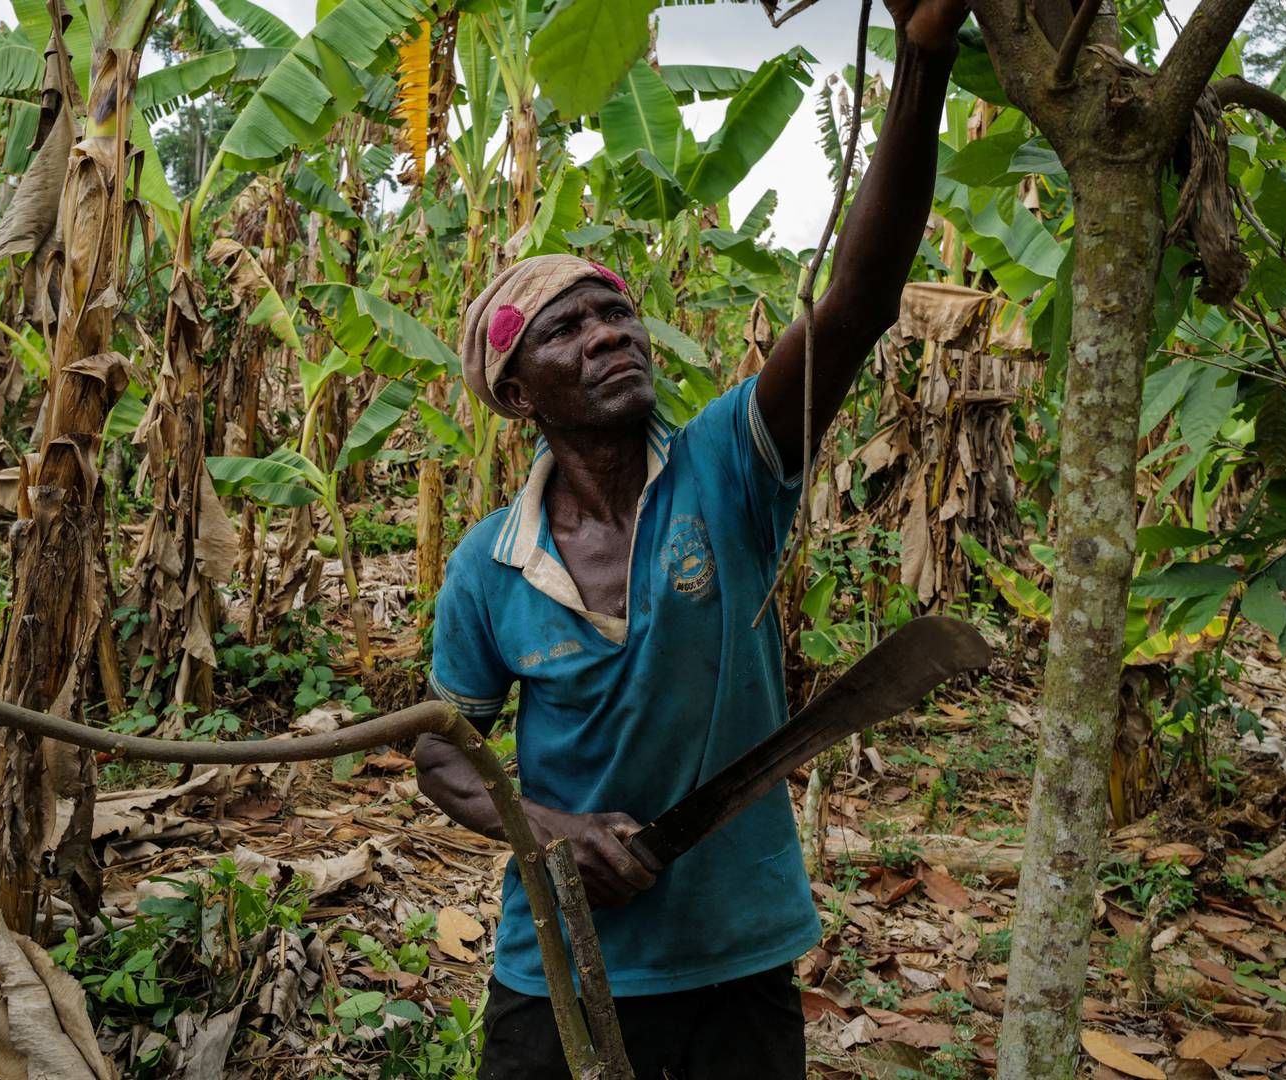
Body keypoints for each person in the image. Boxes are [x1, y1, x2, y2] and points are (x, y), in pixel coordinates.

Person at [413, 2, 968, 1074]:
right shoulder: (488, 568)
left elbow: (858, 303)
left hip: (737, 955)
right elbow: (446, 749)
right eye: (566, 329)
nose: (610, 334)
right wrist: (560, 833)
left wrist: (925, 55)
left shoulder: (727, 466)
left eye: (615, 315)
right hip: (561, 966)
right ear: (518, 396)